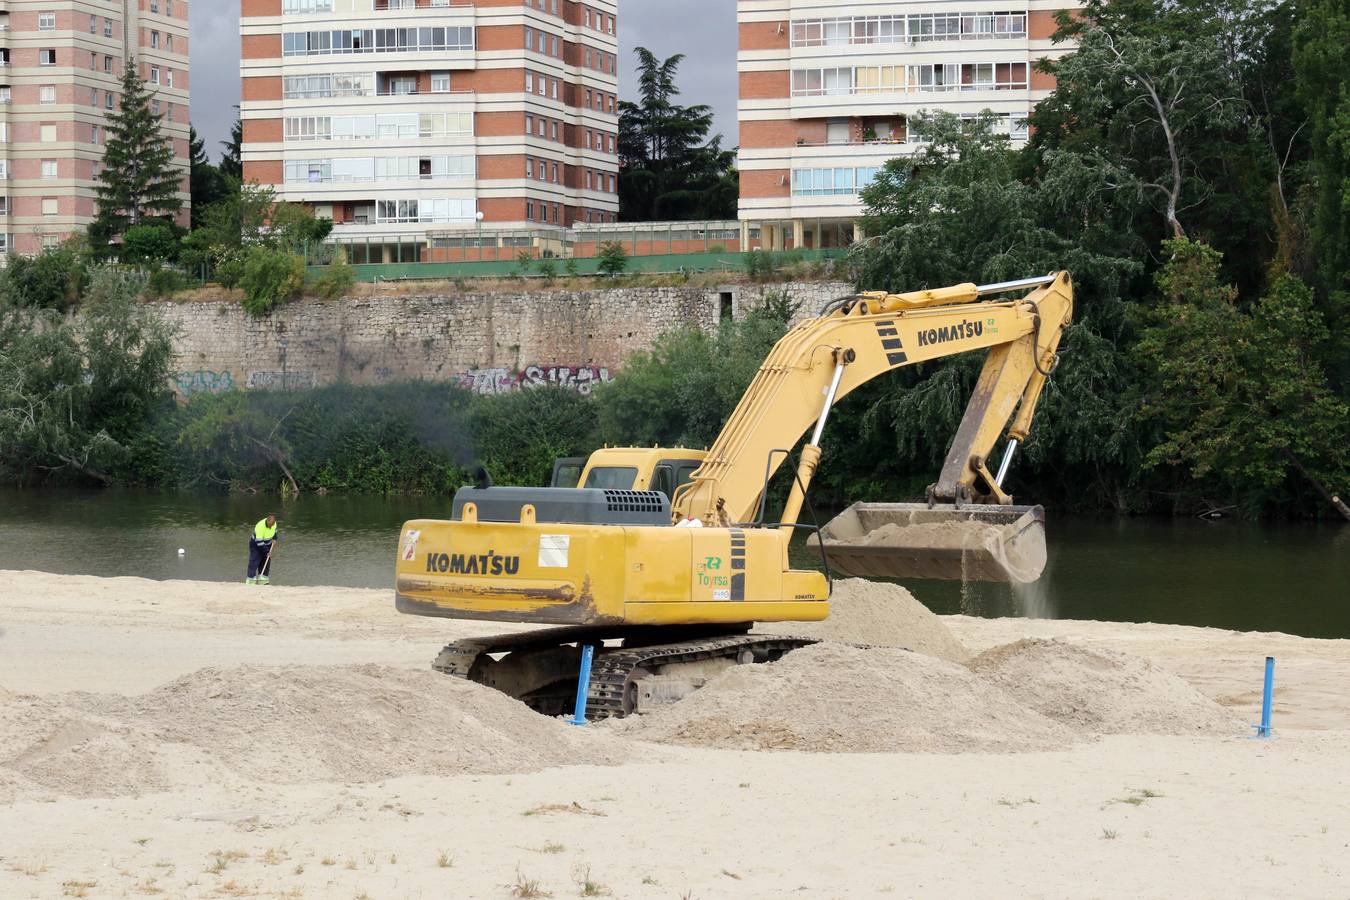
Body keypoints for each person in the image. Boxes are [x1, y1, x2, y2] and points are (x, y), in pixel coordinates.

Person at [246, 514, 279, 585]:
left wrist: (275, 539)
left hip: (268, 543)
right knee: (254, 561)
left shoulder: (274, 524)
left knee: (266, 561)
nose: (271, 527)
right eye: (269, 525)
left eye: (272, 525)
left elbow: (275, 532)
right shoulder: (260, 526)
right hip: (256, 544)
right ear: (267, 521)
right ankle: (251, 580)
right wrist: (267, 551)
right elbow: (259, 542)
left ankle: (263, 580)